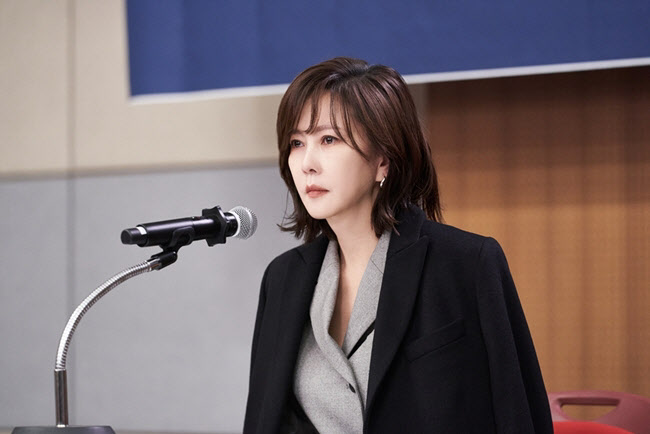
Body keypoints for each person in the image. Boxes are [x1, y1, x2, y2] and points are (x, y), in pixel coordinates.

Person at [243, 57, 553, 433]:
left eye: (328, 139)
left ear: (383, 160)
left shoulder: (467, 264)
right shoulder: (283, 278)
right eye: (296, 142)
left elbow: (519, 414)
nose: (307, 163)